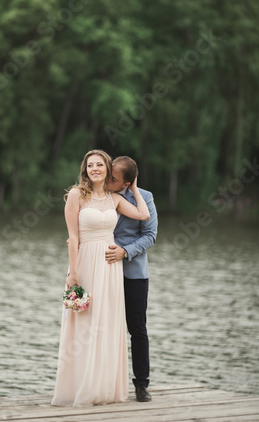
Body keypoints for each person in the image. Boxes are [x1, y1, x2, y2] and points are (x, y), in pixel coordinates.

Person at [51, 149, 150, 407]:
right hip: (84, 263)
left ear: (107, 168)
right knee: (83, 324)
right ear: (85, 169)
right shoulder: (76, 195)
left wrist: (135, 188)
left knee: (106, 324)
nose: (95, 168)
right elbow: (73, 236)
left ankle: (103, 387)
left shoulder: (115, 198)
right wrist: (73, 272)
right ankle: (79, 386)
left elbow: (143, 216)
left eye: (99, 165)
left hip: (110, 269)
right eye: (90, 165)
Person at [106, 156, 158, 402]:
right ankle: (104, 383)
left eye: (113, 178)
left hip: (133, 274)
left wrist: (125, 252)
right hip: (103, 273)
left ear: (126, 183)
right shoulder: (99, 194)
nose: (107, 179)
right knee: (103, 328)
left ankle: (141, 385)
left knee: (136, 328)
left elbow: (150, 236)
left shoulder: (145, 197)